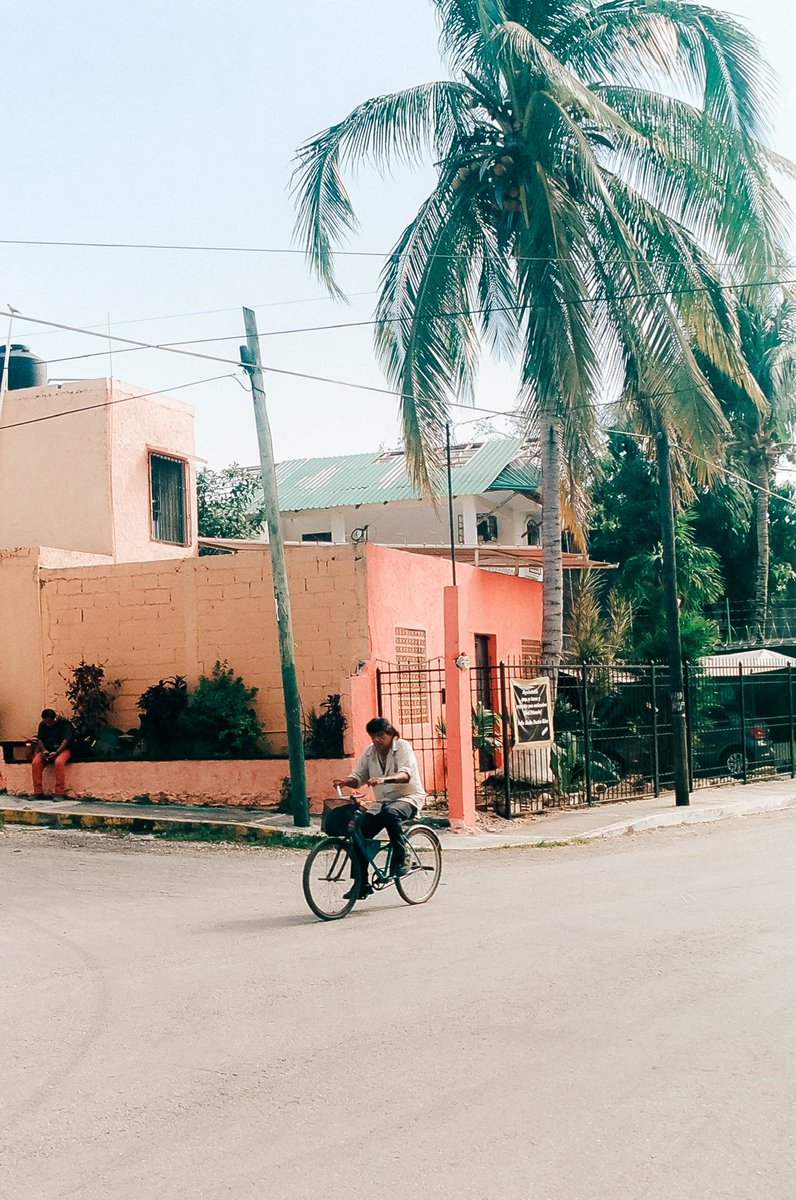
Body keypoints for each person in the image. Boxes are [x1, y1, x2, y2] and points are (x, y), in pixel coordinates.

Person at [333, 717, 426, 900]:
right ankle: (361, 883)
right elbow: (359, 776)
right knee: (358, 834)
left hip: (408, 798)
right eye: (373, 736)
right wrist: (346, 781)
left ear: (390, 735)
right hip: (382, 802)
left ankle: (402, 855)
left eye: (381, 735)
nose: (377, 740)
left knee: (390, 814)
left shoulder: (403, 748)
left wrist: (383, 779)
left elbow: (405, 775)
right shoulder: (370, 753)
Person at [32, 708, 74, 799]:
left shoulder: (64, 723)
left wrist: (57, 752)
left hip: (62, 750)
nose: (47, 724)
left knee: (59, 762)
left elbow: (66, 740)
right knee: (36, 762)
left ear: (54, 719)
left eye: (49, 722)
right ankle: (38, 792)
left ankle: (59, 793)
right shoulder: (43, 724)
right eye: (45, 721)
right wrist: (44, 751)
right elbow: (40, 739)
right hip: (47, 749)